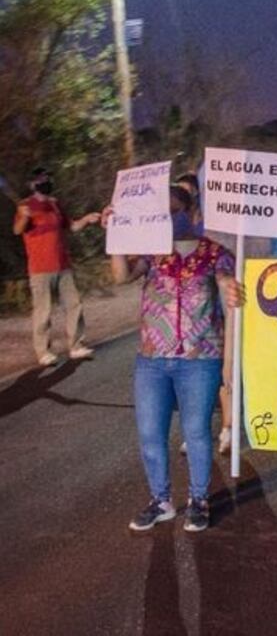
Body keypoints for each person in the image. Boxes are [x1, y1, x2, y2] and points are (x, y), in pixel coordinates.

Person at [104, 185, 239, 532]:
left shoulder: (216, 253)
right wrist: (114, 233)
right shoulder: (152, 253)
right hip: (151, 359)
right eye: (161, 213)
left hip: (200, 358)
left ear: (192, 213)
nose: (168, 218)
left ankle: (199, 500)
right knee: (150, 433)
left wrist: (231, 290)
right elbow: (121, 275)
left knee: (196, 432)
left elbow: (227, 284)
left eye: (174, 211)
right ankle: (160, 501)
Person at [12, 167, 102, 366]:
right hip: (40, 268)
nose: (46, 181)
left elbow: (72, 226)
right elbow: (17, 230)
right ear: (32, 184)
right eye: (41, 179)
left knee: (74, 305)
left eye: (48, 177)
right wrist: (24, 216)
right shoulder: (25, 205)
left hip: (63, 265)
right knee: (43, 311)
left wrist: (87, 219)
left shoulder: (55, 204)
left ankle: (76, 346)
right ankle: (43, 352)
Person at [176, 170, 233, 454]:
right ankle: (196, 429)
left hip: (218, 306)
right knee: (193, 376)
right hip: (192, 314)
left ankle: (228, 427)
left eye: (188, 191)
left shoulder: (215, 223)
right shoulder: (175, 234)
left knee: (223, 370)